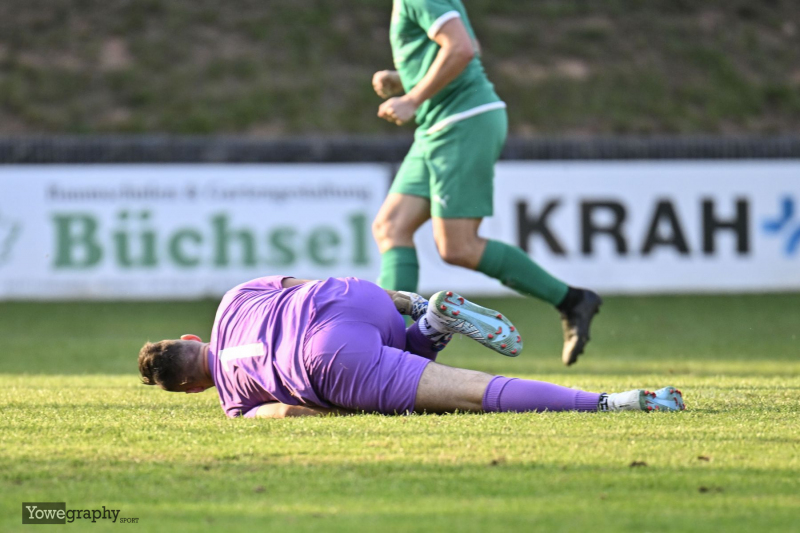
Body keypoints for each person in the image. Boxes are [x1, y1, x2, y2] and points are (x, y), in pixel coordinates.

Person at [371, 0, 602, 366]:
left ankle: (572, 300)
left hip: (461, 121)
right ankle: (391, 342)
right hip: (438, 125)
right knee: (391, 226)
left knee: (458, 246)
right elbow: (469, 45)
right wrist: (404, 78)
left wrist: (412, 97)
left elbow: (461, 49)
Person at [137, 276, 684, 418]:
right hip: (349, 300)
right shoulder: (234, 297)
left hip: (328, 359)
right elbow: (300, 283)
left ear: (190, 388)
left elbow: (286, 412)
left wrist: (344, 404)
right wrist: (398, 300)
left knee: (472, 394)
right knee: (398, 353)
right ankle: (431, 318)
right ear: (191, 338)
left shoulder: (234, 403)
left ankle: (615, 403)